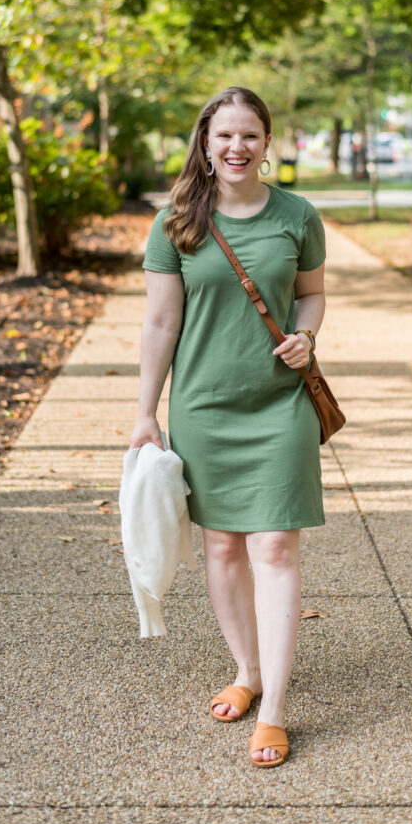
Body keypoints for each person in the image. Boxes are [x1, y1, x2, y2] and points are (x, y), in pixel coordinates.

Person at [129, 86, 326, 768]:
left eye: (249, 135)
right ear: (205, 146)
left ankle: (273, 709)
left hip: (281, 404)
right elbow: (160, 323)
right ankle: (248, 672)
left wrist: (306, 335)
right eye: (224, 137)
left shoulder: (298, 216)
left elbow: (311, 293)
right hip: (205, 407)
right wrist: (145, 411)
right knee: (222, 550)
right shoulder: (177, 221)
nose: (237, 147)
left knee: (273, 547)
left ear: (267, 142)